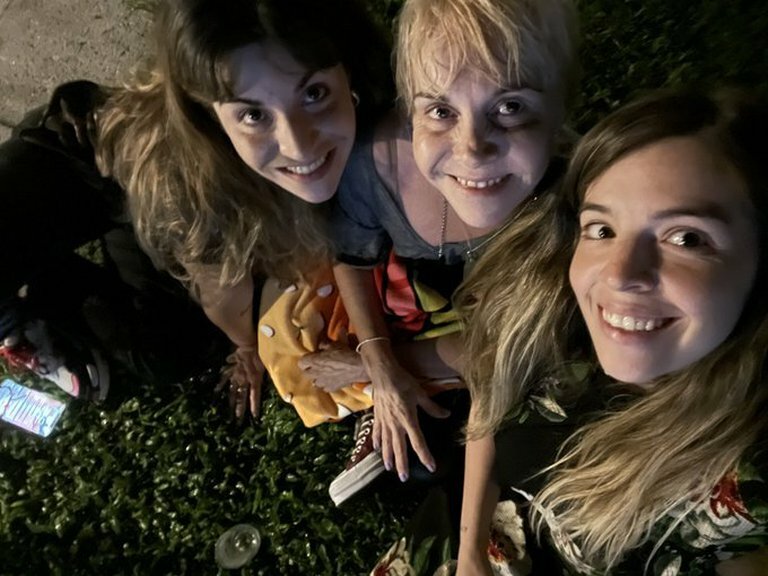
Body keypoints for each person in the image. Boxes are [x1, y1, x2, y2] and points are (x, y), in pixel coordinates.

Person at [1, 0, 394, 416]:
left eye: (314, 93)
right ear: (208, 116)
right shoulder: (198, 185)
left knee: (171, 351)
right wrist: (247, 348)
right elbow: (221, 288)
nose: (298, 146)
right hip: (73, 160)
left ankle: (43, 288)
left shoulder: (384, 100)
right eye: (253, 114)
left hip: (139, 195)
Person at [454, 88, 768, 575]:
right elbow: (490, 398)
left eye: (686, 238)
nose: (620, 275)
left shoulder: (749, 470)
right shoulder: (550, 314)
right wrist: (469, 551)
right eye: (602, 229)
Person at [302, 0, 579, 506]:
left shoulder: (568, 213)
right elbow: (352, 256)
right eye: (441, 111)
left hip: (486, 336)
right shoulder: (373, 162)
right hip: (408, 306)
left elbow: (505, 350)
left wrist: (371, 368)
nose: (471, 148)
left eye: (510, 107)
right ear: (409, 107)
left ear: (560, 107)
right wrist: (376, 356)